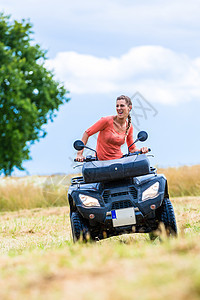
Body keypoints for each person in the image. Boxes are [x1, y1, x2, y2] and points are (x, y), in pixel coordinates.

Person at [76, 95, 149, 162]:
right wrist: (79, 154)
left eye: (122, 106)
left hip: (119, 162)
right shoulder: (106, 121)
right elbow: (87, 133)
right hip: (101, 163)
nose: (119, 108)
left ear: (129, 108)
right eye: (117, 106)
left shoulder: (129, 126)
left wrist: (142, 150)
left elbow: (132, 148)